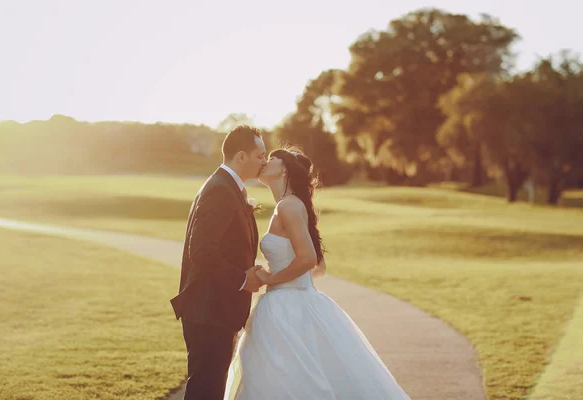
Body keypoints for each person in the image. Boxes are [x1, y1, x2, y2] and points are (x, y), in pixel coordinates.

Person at [226, 147, 412, 399]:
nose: (264, 162)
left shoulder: (289, 206)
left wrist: (273, 278)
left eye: (271, 159)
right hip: (292, 300)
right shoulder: (289, 204)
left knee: (287, 376)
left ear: (284, 169)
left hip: (286, 308)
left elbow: (309, 259)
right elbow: (317, 268)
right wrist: (282, 277)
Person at [170, 125, 267, 400]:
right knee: (206, 389)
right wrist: (243, 278)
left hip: (215, 310)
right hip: (209, 311)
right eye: (260, 155)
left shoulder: (227, 187)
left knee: (210, 387)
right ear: (241, 157)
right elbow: (201, 251)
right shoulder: (220, 190)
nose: (264, 161)